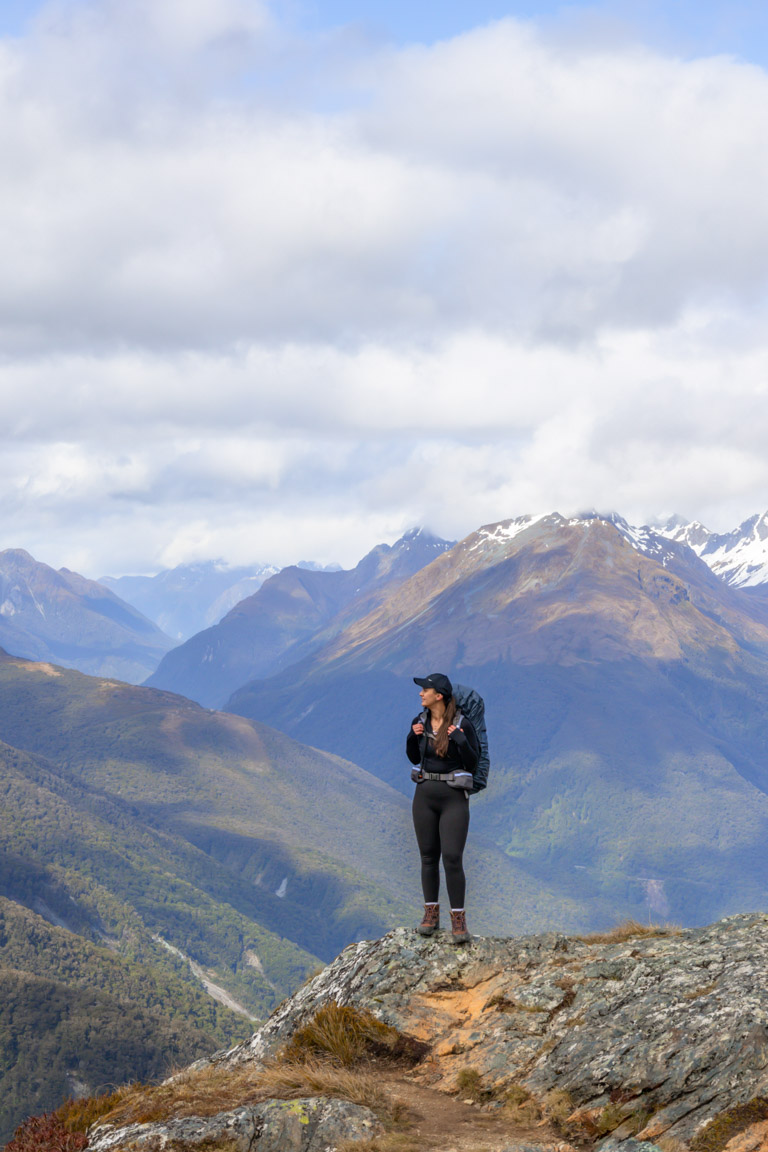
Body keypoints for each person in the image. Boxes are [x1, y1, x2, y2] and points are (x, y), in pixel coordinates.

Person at [406, 672, 479, 944]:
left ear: (439, 695)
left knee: (451, 858)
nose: (420, 693)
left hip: (453, 798)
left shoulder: (462, 725)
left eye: (425, 690)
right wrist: (412, 738)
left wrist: (461, 741)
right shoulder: (419, 722)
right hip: (424, 795)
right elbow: (414, 757)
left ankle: (458, 921)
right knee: (427, 856)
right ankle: (430, 915)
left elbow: (472, 763)